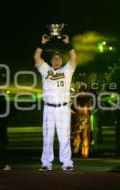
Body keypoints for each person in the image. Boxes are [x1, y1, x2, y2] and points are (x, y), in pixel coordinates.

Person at [33, 34, 77, 171]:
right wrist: (42, 43)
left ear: (62, 61)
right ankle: (46, 163)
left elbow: (74, 58)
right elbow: (36, 57)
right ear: (51, 61)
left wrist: (68, 45)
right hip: (49, 108)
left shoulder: (67, 70)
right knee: (47, 137)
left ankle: (67, 163)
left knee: (64, 137)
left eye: (59, 58)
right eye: (54, 58)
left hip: (63, 108)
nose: (57, 60)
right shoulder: (46, 70)